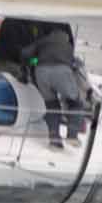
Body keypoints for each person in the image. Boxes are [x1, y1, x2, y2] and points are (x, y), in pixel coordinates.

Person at [21, 21, 85, 149]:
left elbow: (25, 54)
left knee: (51, 105)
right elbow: (75, 63)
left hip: (41, 72)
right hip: (62, 72)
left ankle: (54, 140)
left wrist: (34, 61)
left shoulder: (43, 41)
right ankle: (72, 135)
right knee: (75, 102)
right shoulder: (67, 45)